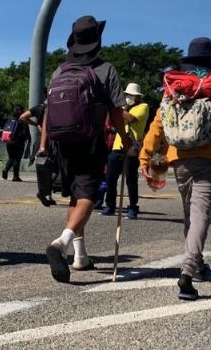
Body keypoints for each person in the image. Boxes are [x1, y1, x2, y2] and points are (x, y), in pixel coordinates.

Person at [140, 37, 211, 301]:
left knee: (190, 212)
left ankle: (196, 263)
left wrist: (145, 157)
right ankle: (189, 268)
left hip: (179, 157)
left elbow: (158, 124)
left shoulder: (176, 87)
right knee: (200, 214)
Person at [40, 15, 132, 282]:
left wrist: (43, 145)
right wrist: (125, 140)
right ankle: (62, 242)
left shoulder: (60, 71)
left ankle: (80, 256)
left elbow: (48, 113)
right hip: (90, 141)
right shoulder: (106, 70)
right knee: (89, 196)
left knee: (74, 197)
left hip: (62, 143)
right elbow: (116, 112)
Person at [101, 83, 149, 220]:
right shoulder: (122, 108)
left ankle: (133, 207)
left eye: (131, 95)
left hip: (132, 146)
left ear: (137, 97)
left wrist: (118, 109)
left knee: (130, 179)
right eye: (127, 95)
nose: (128, 97)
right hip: (118, 145)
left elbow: (132, 119)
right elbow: (111, 120)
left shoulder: (143, 107)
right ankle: (110, 205)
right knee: (111, 177)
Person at [20, 100, 56, 207]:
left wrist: (36, 124)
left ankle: (45, 194)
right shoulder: (57, 105)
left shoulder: (39, 107)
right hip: (55, 139)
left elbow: (23, 117)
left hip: (42, 140)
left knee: (44, 168)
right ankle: (45, 194)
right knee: (54, 168)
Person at [3, 105, 28, 182]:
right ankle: (15, 176)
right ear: (21, 111)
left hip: (9, 140)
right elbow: (25, 132)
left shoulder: (10, 119)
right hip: (18, 142)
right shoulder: (22, 120)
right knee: (17, 158)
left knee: (11, 157)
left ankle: (5, 169)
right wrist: (27, 138)